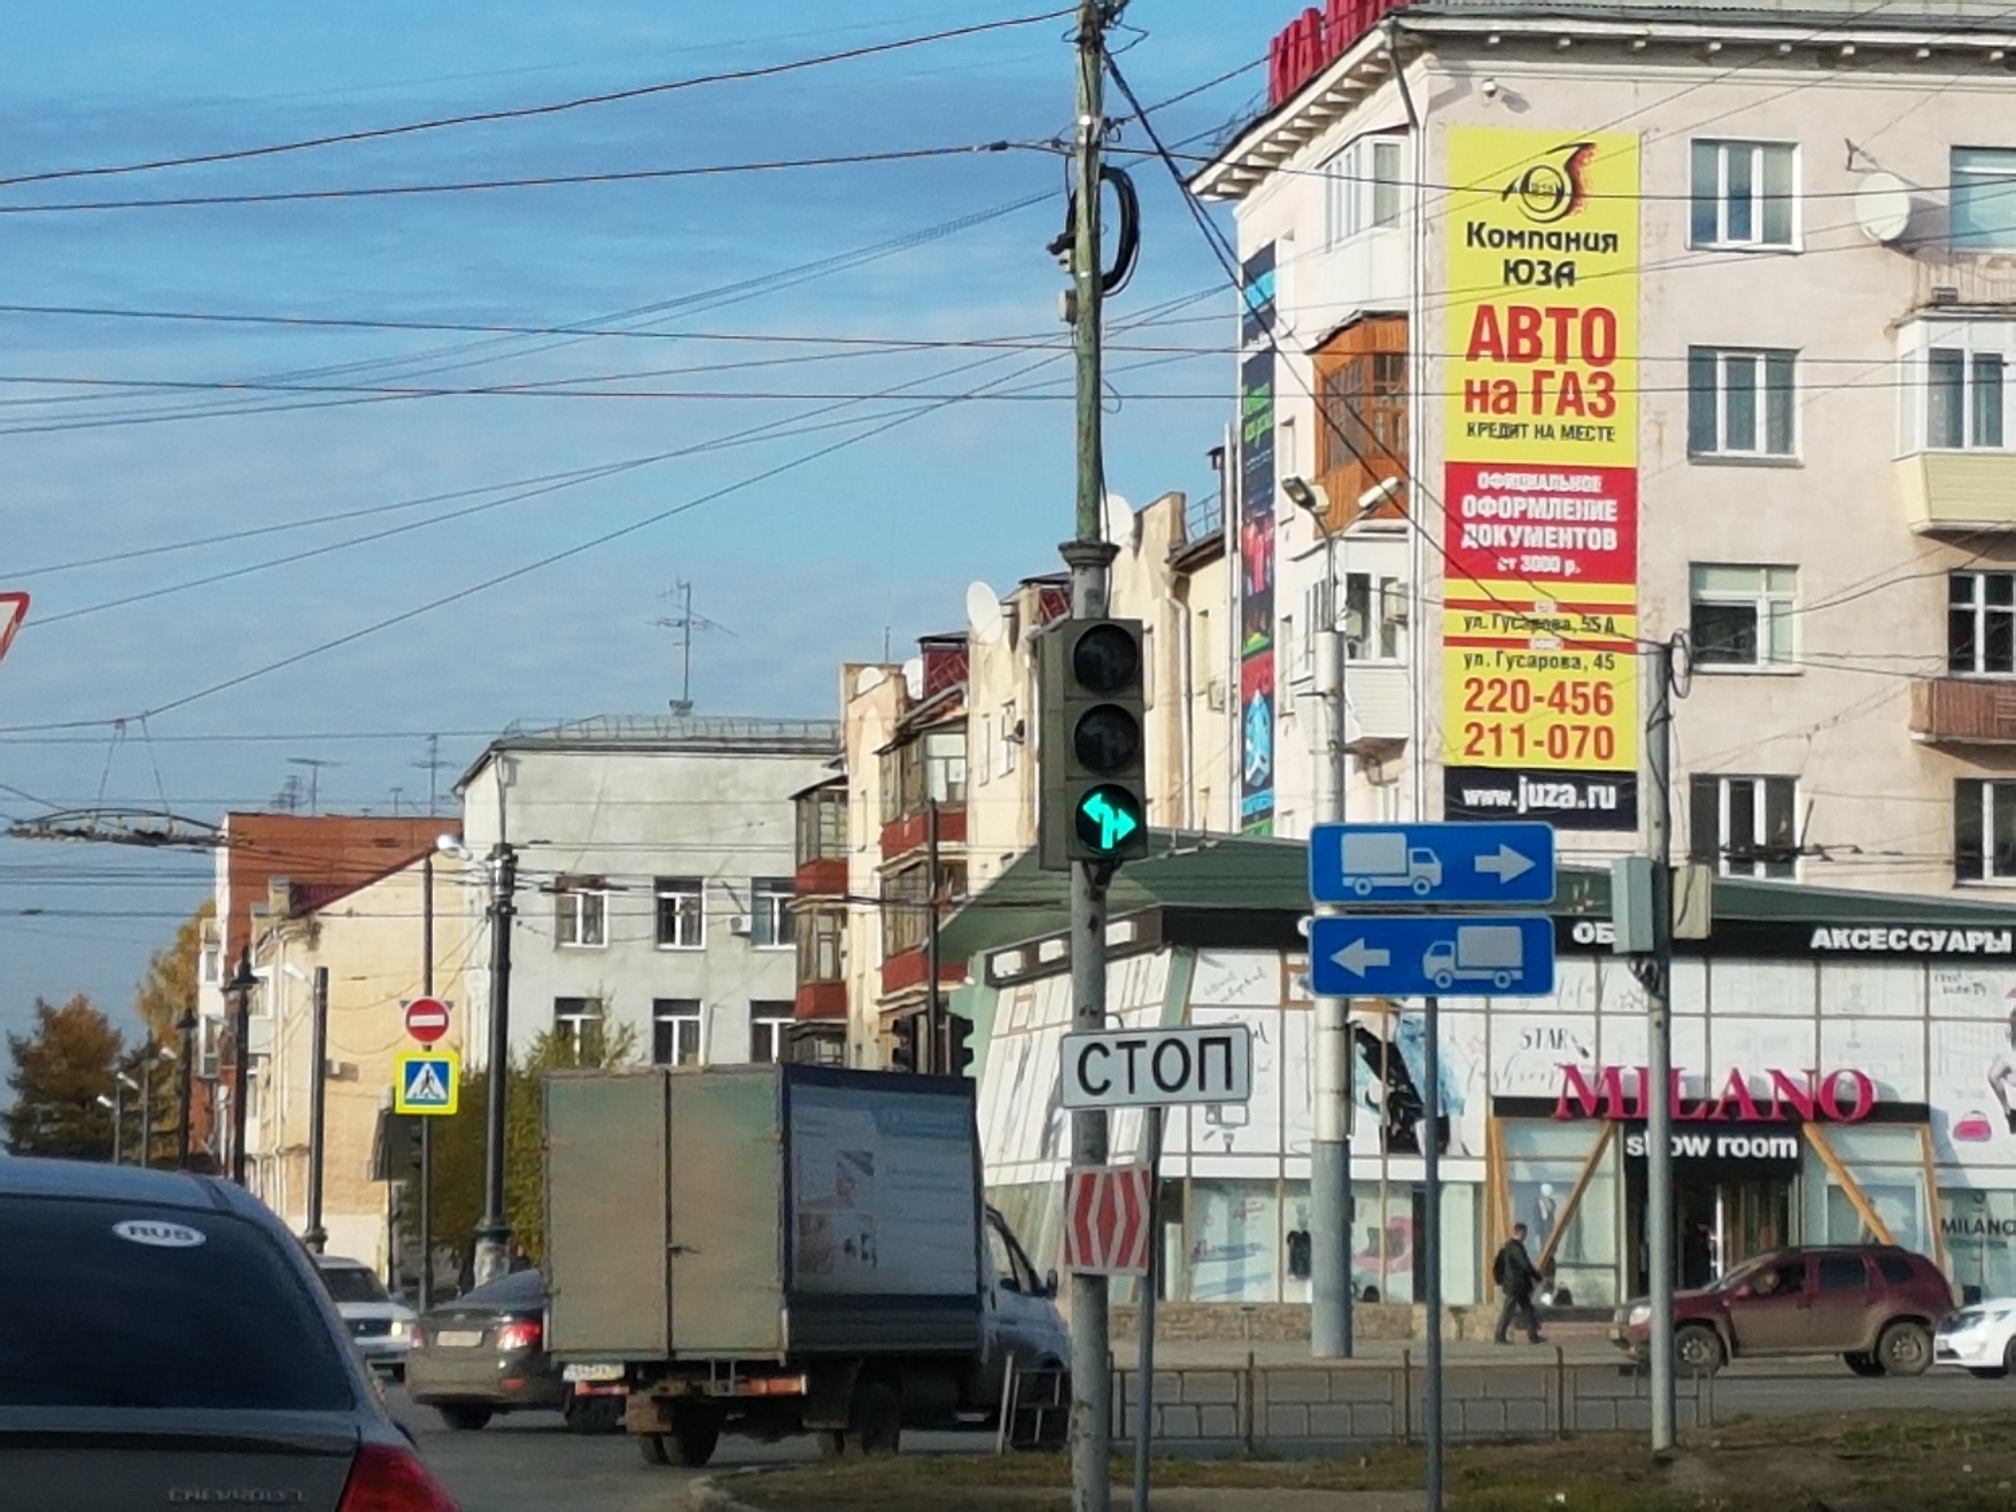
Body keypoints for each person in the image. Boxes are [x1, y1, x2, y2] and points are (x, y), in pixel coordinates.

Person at [1492, 1222, 1545, 1345]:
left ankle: (1533, 1335)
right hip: (1516, 1285)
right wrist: (1537, 1277)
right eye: (1525, 1233)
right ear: (1521, 1233)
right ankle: (1500, 1335)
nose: (1526, 1236)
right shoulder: (1516, 1248)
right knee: (1509, 1310)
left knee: (1527, 1309)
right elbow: (1525, 1265)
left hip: (1514, 1284)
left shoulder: (1508, 1247)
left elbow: (1499, 1266)